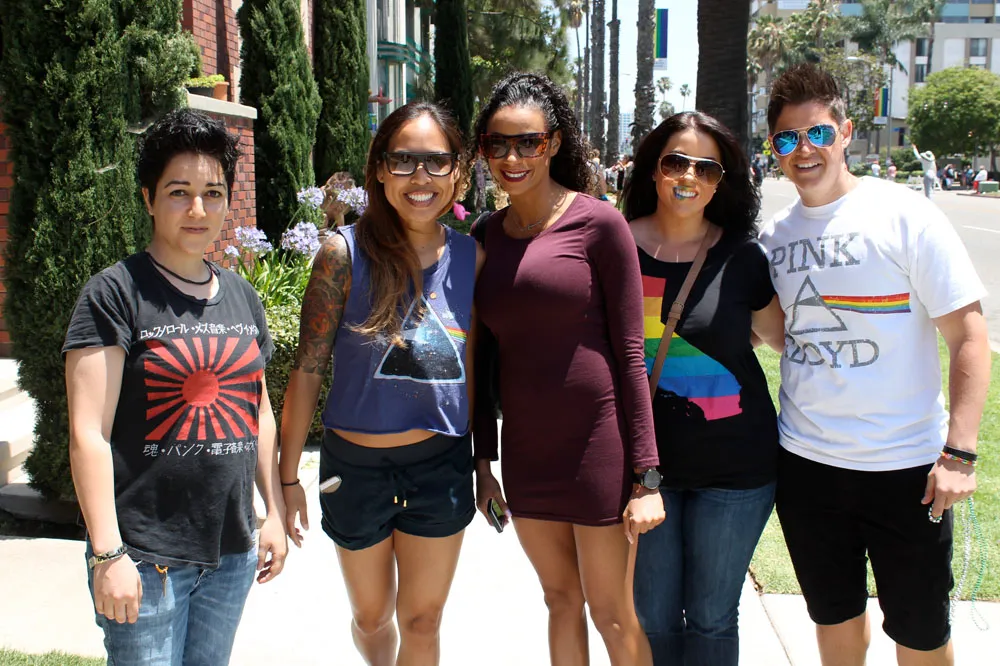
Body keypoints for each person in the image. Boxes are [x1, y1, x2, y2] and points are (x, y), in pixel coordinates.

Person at [760, 63, 991, 666]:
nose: (803, 150)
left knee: (921, 635)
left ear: (845, 132)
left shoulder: (905, 215)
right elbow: (782, 337)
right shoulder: (773, 239)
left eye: (817, 133)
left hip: (907, 470)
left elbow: (968, 333)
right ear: (773, 148)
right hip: (807, 468)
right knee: (833, 619)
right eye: (787, 139)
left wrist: (960, 453)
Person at [64, 109, 287, 666]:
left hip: (231, 553)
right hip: (145, 557)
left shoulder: (242, 297)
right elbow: (88, 434)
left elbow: (258, 411)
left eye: (213, 194)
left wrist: (275, 512)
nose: (198, 210)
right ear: (148, 198)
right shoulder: (115, 294)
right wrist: (107, 554)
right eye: (179, 192)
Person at [279, 101, 483, 666]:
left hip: (440, 466)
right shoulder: (341, 254)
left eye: (436, 161)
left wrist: (482, 466)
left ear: (458, 172)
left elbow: (476, 373)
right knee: (372, 618)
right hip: (355, 471)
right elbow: (308, 368)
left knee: (422, 620)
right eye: (403, 160)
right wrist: (287, 477)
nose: (421, 177)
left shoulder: (473, 257)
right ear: (379, 169)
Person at [471, 72, 665, 666]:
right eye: (497, 144)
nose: (512, 158)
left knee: (612, 613)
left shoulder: (599, 224)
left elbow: (630, 353)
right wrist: (483, 463)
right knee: (559, 601)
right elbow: (480, 359)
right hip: (528, 453)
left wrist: (648, 477)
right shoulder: (485, 236)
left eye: (527, 142)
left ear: (553, 143)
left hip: (596, 448)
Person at [621, 111, 785, 665]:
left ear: (721, 182)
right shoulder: (615, 247)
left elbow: (777, 338)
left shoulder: (743, 256)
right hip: (647, 473)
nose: (689, 176)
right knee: (654, 617)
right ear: (652, 170)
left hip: (736, 471)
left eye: (706, 168)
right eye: (675, 162)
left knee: (714, 619)